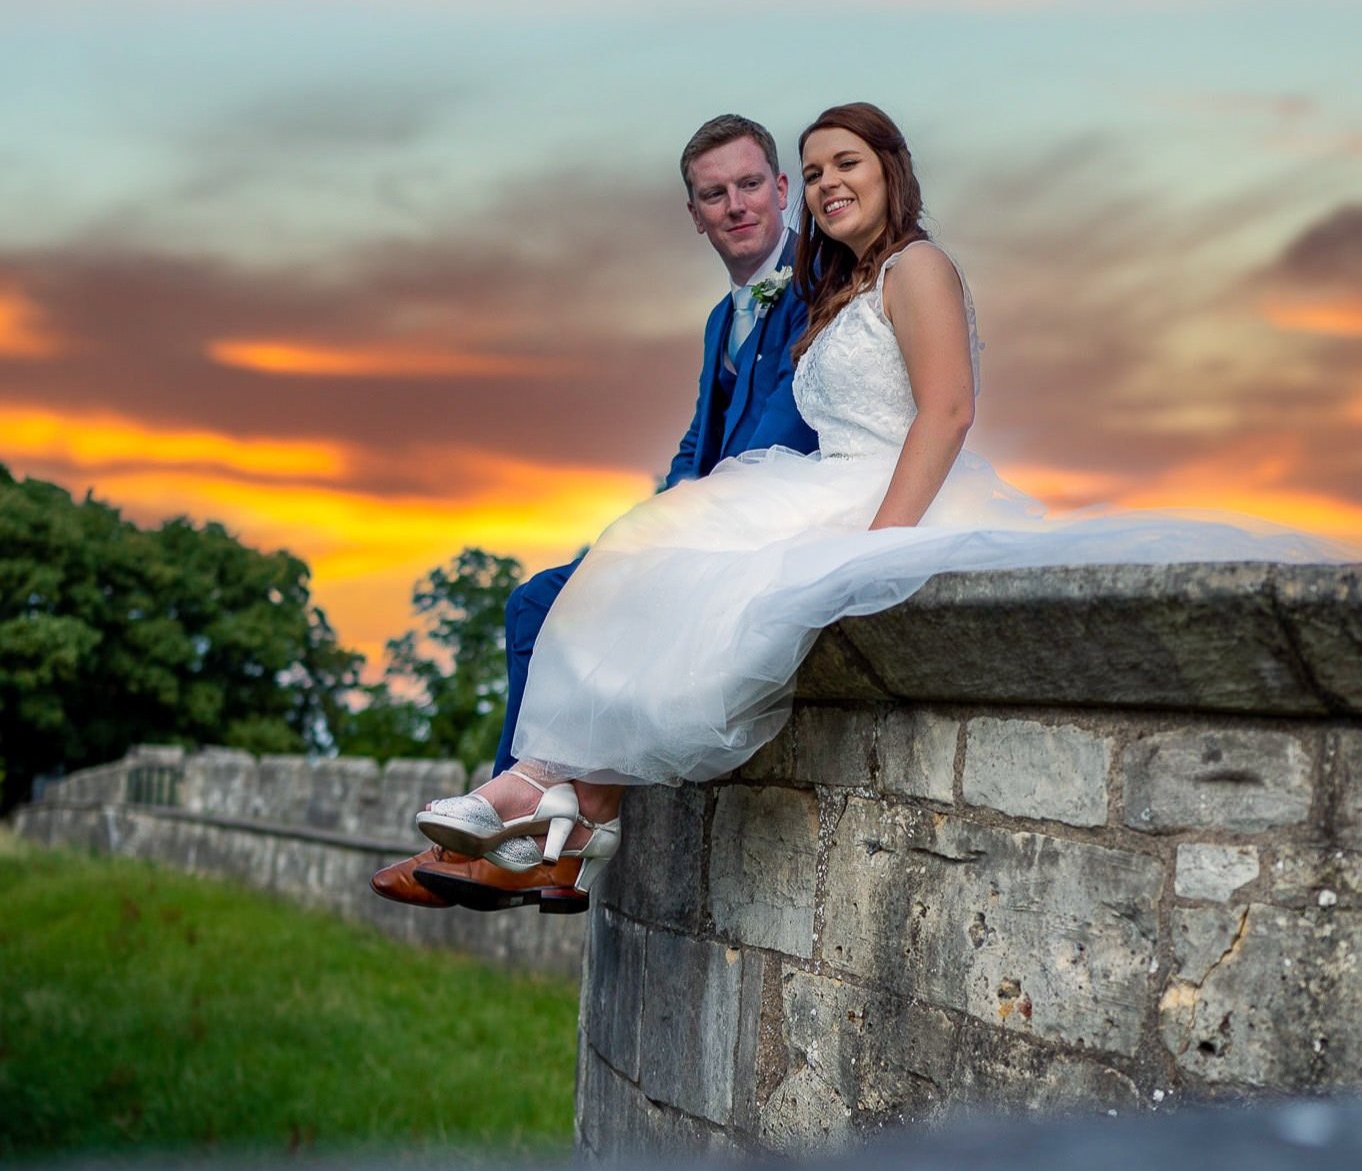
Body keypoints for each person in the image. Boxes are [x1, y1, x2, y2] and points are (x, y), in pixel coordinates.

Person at [393, 102, 1355, 914]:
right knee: (638, 565)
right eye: (813, 171)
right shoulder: (838, 291)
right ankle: (558, 810)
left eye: (837, 165)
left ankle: (553, 812)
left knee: (668, 586)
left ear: (890, 170)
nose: (822, 184)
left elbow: (948, 409)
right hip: (818, 487)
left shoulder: (911, 270)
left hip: (882, 493)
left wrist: (882, 544)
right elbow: (707, 443)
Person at [369, 113, 817, 910]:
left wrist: (675, 533)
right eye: (714, 194)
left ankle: (517, 835)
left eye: (751, 186)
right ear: (694, 214)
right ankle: (528, 835)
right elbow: (695, 445)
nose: (736, 205)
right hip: (704, 516)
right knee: (536, 600)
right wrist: (652, 521)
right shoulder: (724, 318)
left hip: (770, 518)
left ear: (783, 190)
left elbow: (779, 433)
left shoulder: (817, 283)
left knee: (581, 604)